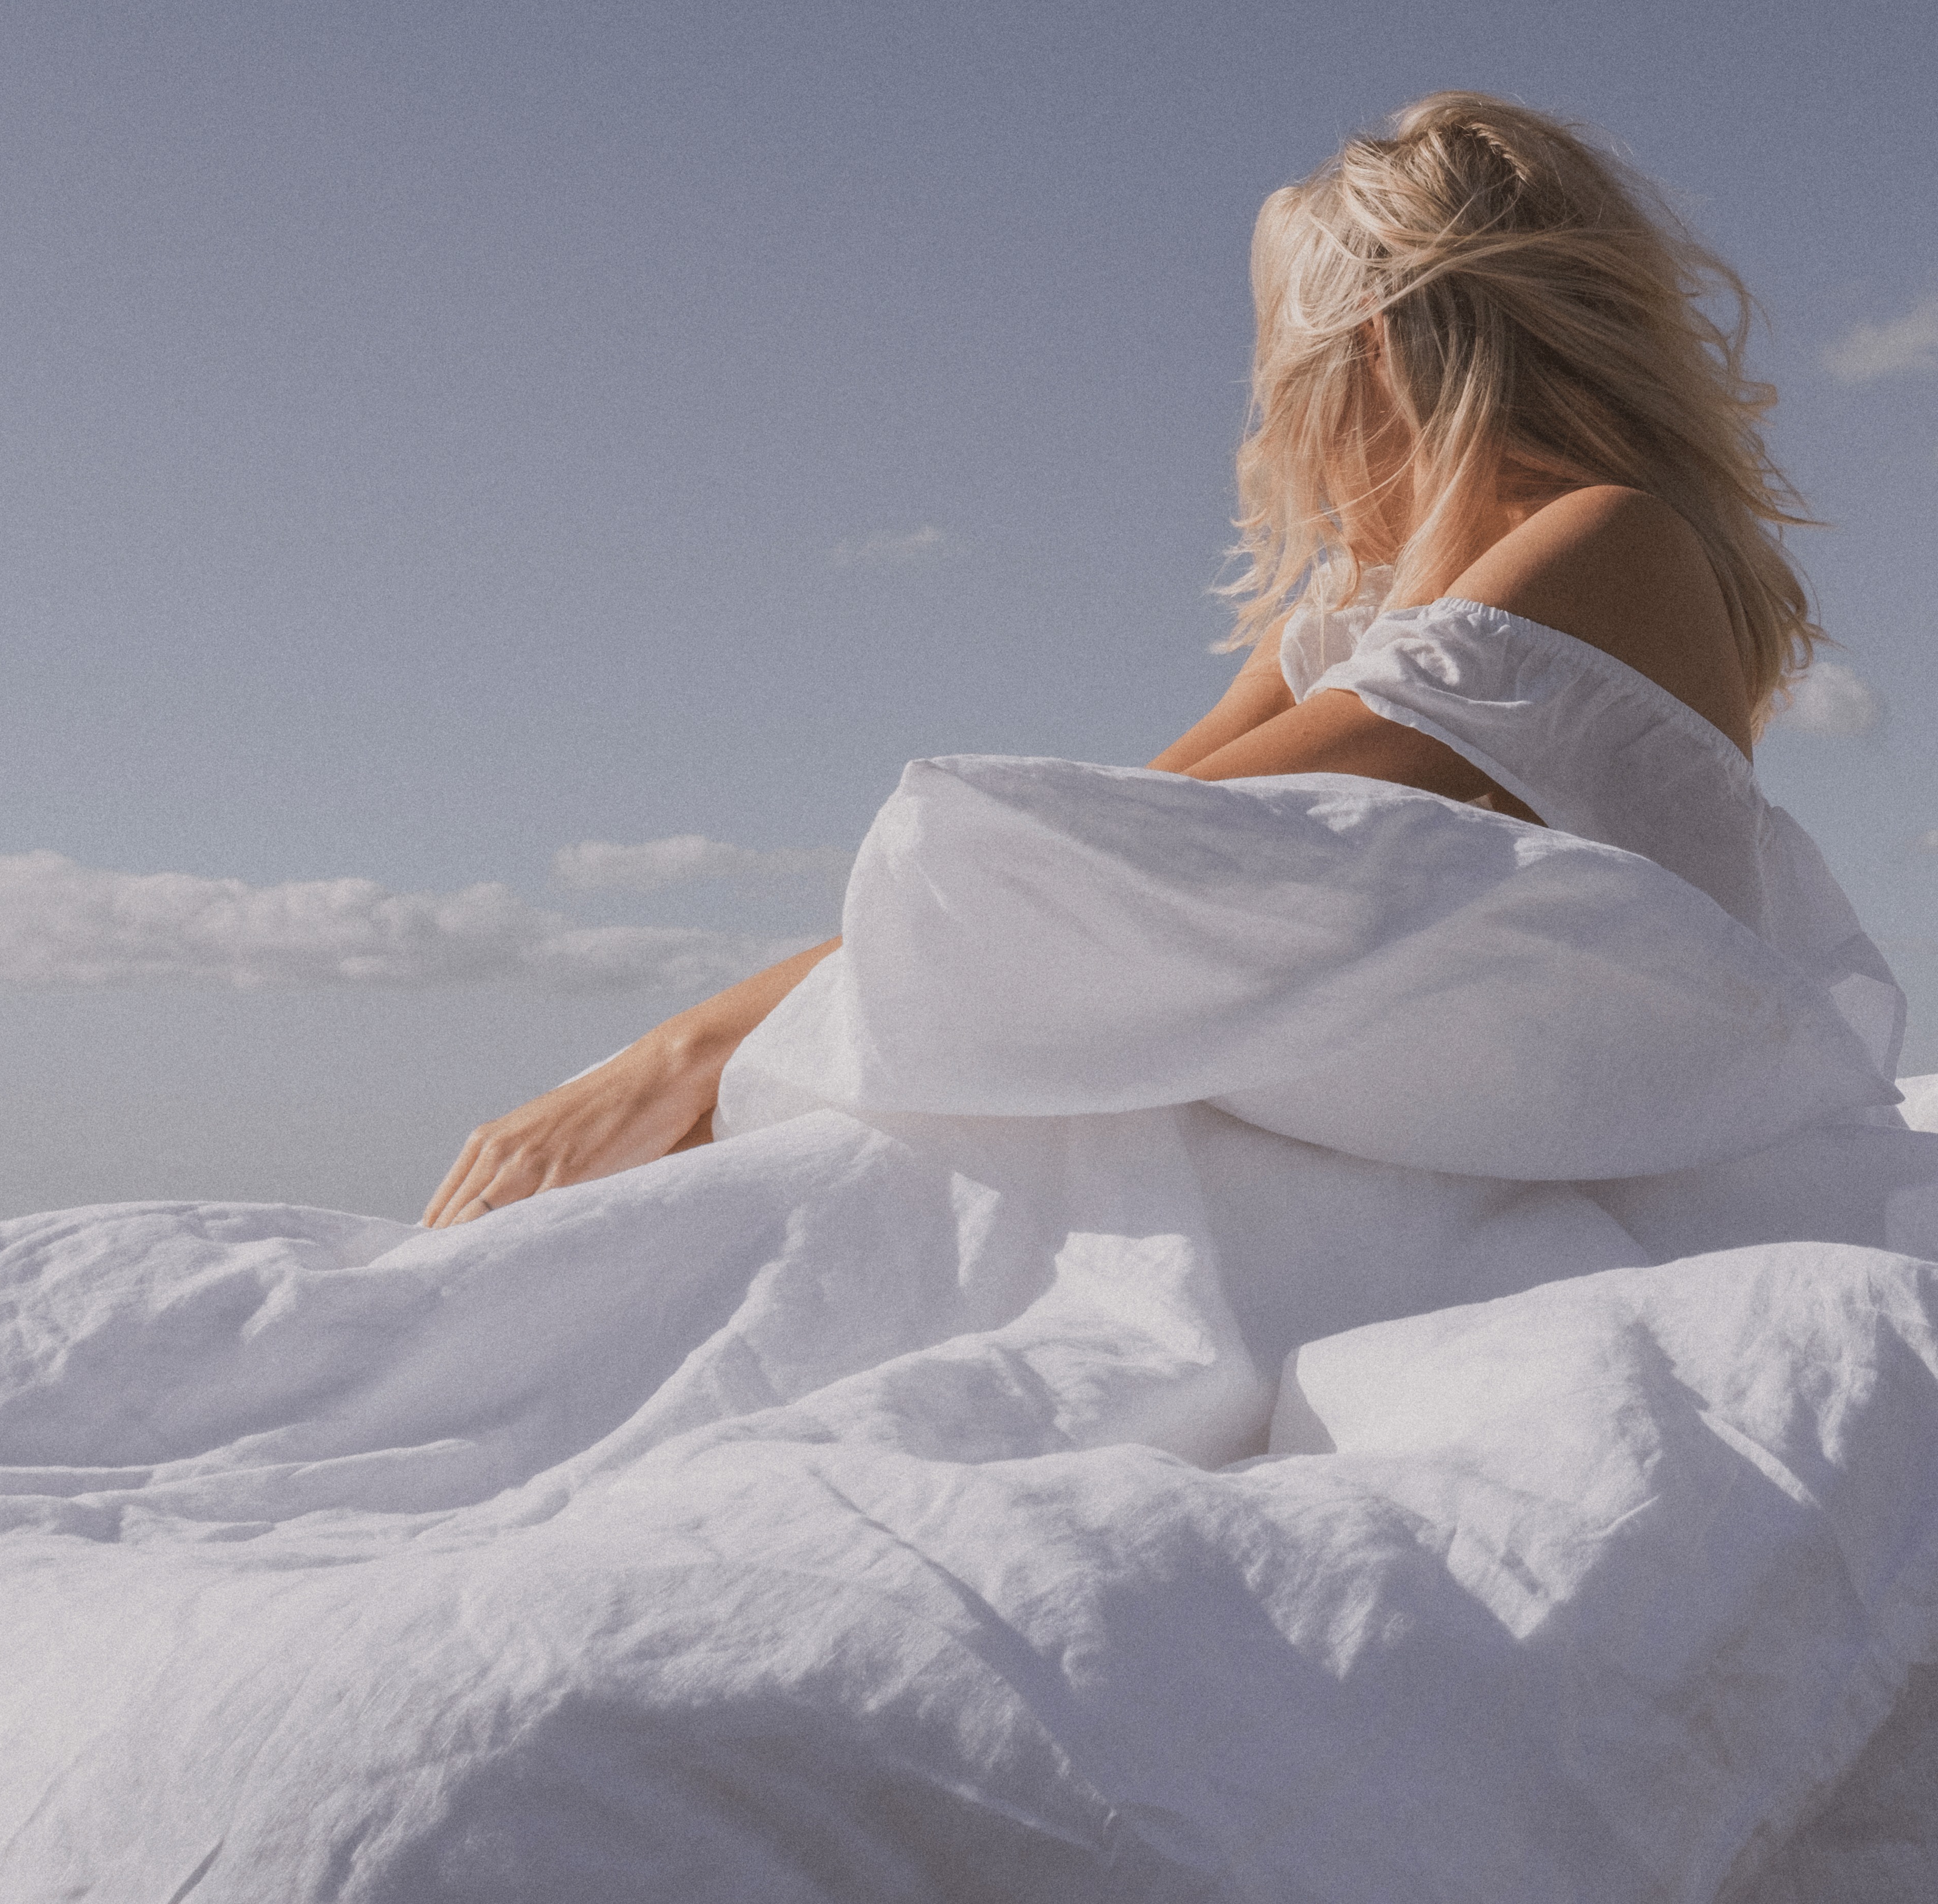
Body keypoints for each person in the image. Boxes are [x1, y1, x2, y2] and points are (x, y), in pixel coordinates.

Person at [419, 90, 1822, 1227]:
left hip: (1522, 1179)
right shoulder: (1353, 616)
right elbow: (1111, 839)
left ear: (1374, 352)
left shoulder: (1607, 543)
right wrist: (674, 1057)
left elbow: (1132, 851)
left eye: (1283, 364)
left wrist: (685, 1053)